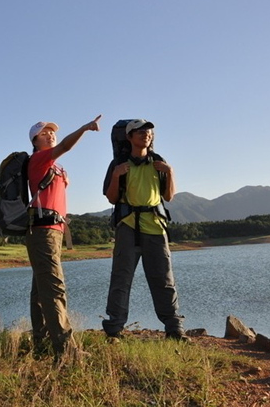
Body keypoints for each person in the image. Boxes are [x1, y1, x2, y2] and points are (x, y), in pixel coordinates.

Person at [101, 119, 188, 341]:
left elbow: (168, 196)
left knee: (163, 278)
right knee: (121, 278)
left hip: (156, 226)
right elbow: (112, 197)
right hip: (128, 226)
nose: (145, 134)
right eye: (139, 132)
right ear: (129, 137)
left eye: (148, 131)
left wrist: (170, 172)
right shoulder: (119, 164)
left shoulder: (159, 163)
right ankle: (115, 329)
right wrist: (116, 175)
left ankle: (174, 329)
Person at [26, 115, 101, 360]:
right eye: (44, 133)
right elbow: (66, 146)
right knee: (54, 287)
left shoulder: (56, 167)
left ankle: (42, 344)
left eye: (52, 132)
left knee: (41, 290)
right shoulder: (39, 159)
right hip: (43, 231)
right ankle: (67, 350)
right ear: (34, 141)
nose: (50, 134)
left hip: (55, 231)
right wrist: (85, 127)